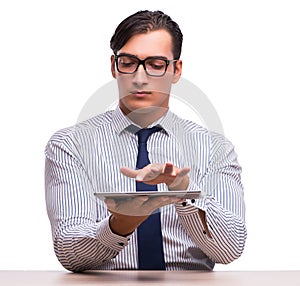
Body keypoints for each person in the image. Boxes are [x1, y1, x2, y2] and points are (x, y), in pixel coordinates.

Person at [44, 10, 247, 272]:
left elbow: (230, 250)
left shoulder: (215, 149)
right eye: (128, 62)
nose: (140, 77)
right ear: (113, 67)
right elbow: (70, 254)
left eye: (156, 64)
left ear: (176, 70)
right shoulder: (70, 145)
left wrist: (182, 190)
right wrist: (120, 225)